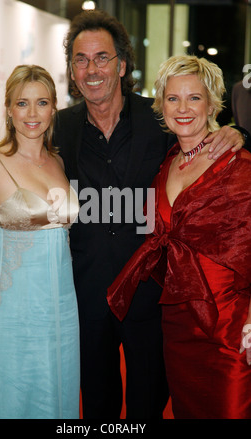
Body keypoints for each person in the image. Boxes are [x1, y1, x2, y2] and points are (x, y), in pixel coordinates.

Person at [0, 11, 249, 419]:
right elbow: (18, 151)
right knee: (95, 409)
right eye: (81, 59)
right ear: (72, 71)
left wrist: (241, 133)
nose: (92, 68)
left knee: (147, 407)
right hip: (81, 300)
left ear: (121, 64)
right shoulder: (57, 128)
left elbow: (201, 131)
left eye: (102, 57)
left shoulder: (160, 120)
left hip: (150, 297)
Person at [108, 55, 251, 419]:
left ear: (213, 103)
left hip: (230, 326)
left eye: (194, 98)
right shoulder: (167, 163)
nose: (183, 108)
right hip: (176, 325)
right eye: (173, 98)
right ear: (161, 105)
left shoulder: (238, 164)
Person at [0, 65, 80, 419]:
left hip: (62, 309)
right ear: (9, 109)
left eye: (41, 102)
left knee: (57, 394)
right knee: (13, 395)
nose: (32, 113)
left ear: (53, 108)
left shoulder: (58, 161)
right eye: (22, 103)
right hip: (13, 310)